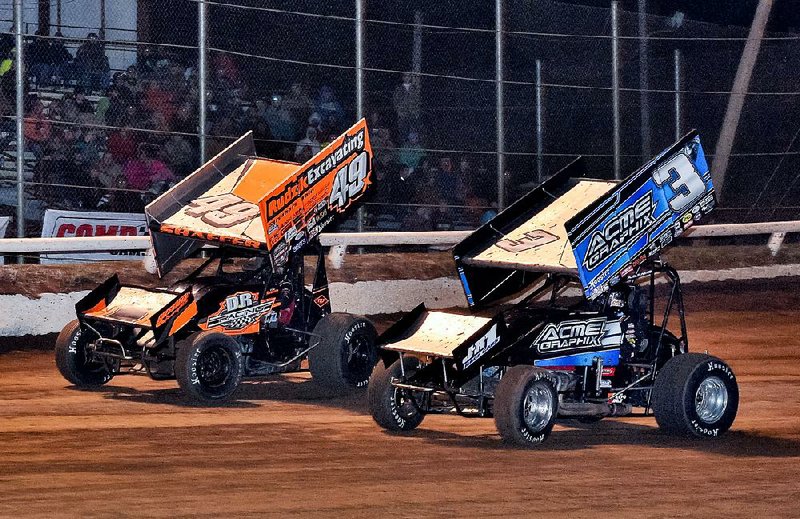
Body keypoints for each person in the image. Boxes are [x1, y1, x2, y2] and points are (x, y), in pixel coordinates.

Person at [393, 72, 421, 139]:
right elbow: (395, 100)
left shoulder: (414, 88)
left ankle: (412, 141)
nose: (407, 78)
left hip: (412, 112)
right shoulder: (399, 88)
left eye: (408, 76)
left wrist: (416, 111)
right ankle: (403, 142)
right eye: (405, 76)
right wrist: (399, 111)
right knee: (403, 129)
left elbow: (418, 100)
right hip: (402, 113)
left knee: (413, 128)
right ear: (403, 77)